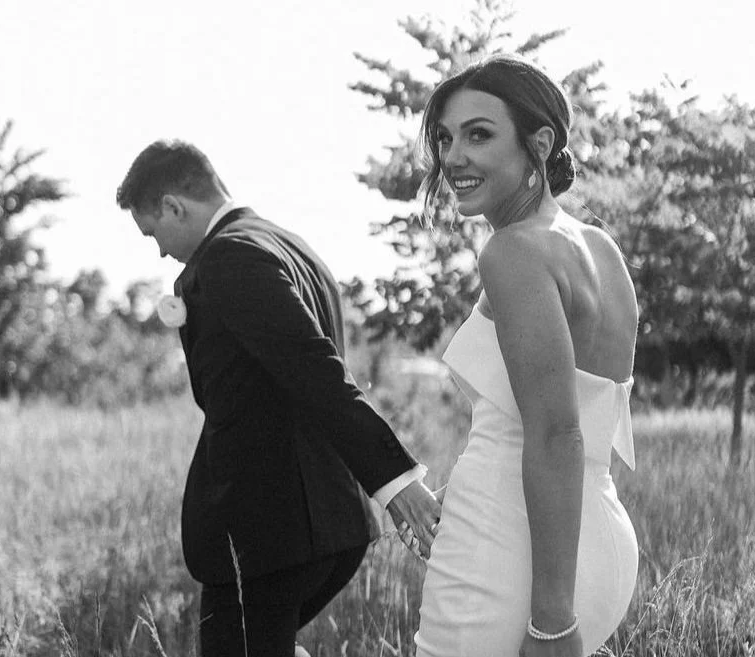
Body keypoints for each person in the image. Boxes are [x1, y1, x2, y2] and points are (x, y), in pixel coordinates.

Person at [115, 140, 441, 657]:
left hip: (272, 534)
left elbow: (317, 372)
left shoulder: (229, 257)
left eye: (153, 232)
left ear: (174, 206)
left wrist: (396, 479)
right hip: (327, 525)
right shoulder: (289, 244)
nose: (159, 251)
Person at [408, 54, 640, 657]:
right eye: (445, 138)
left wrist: (552, 620)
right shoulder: (601, 250)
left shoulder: (512, 252)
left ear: (539, 143)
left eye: (479, 134)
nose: (453, 156)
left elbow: (558, 434)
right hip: (599, 542)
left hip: (512, 553)